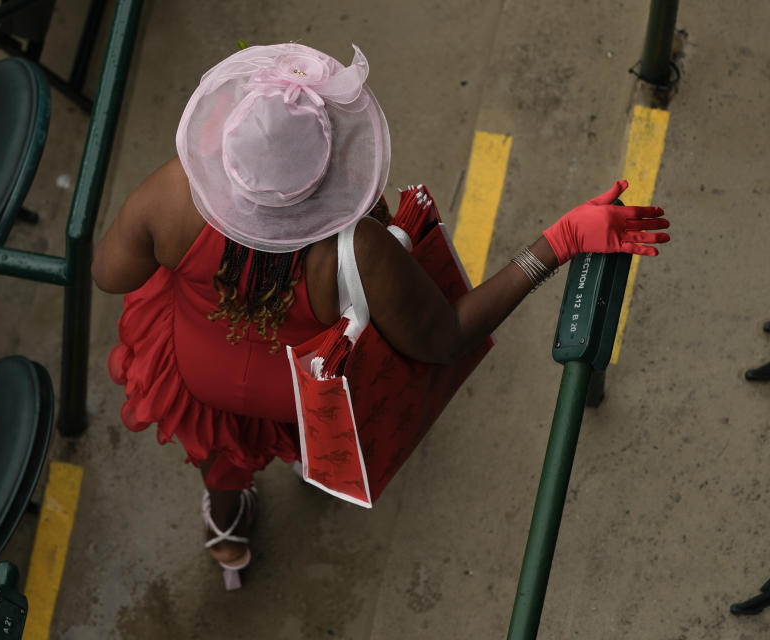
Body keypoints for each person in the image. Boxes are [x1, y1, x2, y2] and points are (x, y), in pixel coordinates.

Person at [92, 42, 670, 590]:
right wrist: (560, 241)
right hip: (298, 392)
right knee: (301, 431)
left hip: (199, 373)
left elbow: (109, 275)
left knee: (222, 451)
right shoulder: (360, 250)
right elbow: (447, 338)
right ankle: (313, 466)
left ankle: (226, 530)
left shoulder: (172, 193)